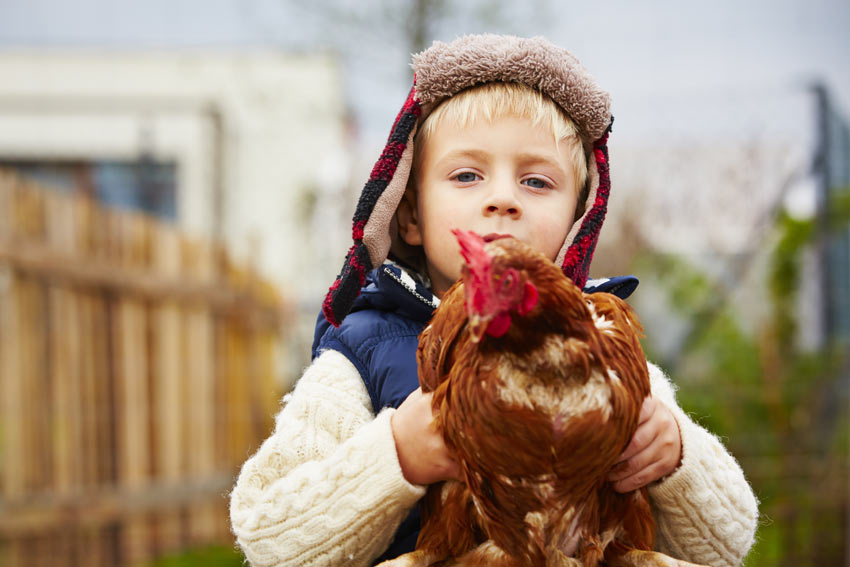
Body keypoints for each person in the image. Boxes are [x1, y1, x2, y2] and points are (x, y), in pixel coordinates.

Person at [229, 34, 758, 567]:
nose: (502, 199)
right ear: (410, 216)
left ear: (577, 218)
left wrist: (675, 459)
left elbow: (726, 544)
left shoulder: (609, 347)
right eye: (466, 175)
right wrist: (394, 458)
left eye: (535, 181)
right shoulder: (362, 355)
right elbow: (269, 540)